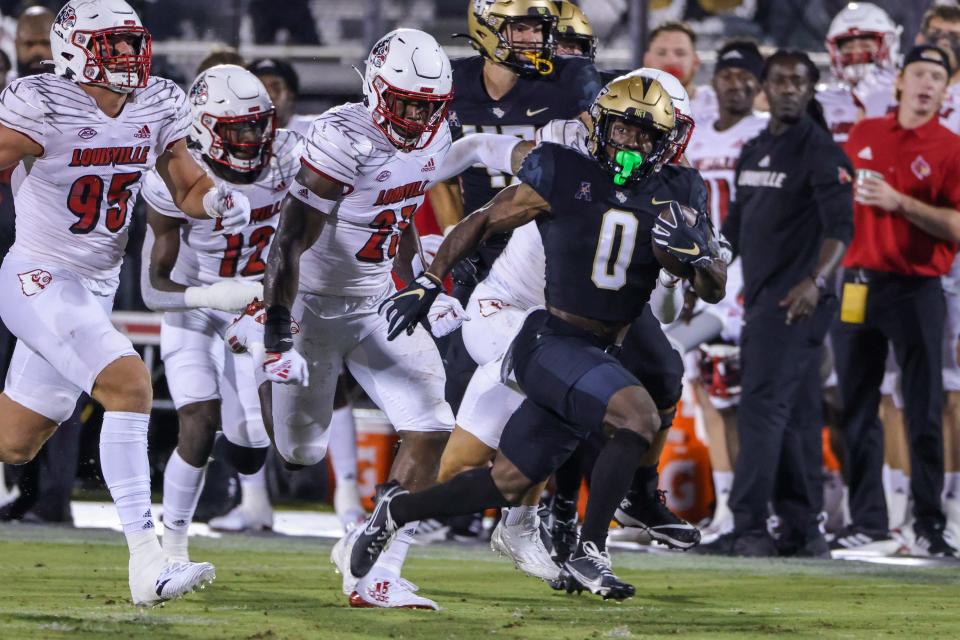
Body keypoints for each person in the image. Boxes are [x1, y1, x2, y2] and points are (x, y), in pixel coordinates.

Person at [339, 75, 726, 600]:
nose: (629, 146)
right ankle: (588, 547)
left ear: (666, 142)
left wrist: (697, 257)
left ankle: (398, 510)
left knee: (506, 481)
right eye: (621, 131)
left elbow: (711, 287)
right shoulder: (561, 168)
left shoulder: (678, 190)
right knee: (631, 415)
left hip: (597, 347)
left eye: (643, 137)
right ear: (598, 127)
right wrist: (430, 283)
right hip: (543, 336)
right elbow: (481, 220)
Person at [0, 0, 251, 605]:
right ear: (73, 50)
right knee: (131, 385)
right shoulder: (42, 101)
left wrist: (216, 201)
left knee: (15, 441)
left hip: (94, 286)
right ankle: (148, 562)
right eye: (111, 45)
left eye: (131, 42)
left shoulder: (156, 100)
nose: (127, 56)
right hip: (39, 275)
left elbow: (187, 182)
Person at [234, 29, 466, 610]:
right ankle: (248, 358)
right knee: (298, 454)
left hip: (374, 305)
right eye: (405, 101)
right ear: (376, 88)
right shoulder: (342, 137)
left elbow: (401, 210)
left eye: (426, 105)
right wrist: (275, 327)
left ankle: (377, 571)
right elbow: (288, 238)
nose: (416, 117)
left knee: (432, 423)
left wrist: (419, 283)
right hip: (311, 304)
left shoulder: (436, 131)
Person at [139, 65, 301, 562]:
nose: (254, 137)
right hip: (196, 307)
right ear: (206, 128)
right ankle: (175, 548)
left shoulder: (292, 156)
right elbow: (152, 288)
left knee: (252, 448)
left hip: (255, 306)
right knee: (197, 420)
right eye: (239, 129)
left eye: (259, 124)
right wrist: (210, 297)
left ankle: (249, 491)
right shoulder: (173, 177)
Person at [704, 50, 854, 557]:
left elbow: (841, 229)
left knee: (761, 408)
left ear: (811, 89)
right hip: (762, 297)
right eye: (781, 80)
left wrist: (815, 281)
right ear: (766, 87)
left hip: (797, 301)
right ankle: (802, 529)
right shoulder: (753, 149)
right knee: (796, 414)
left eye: (799, 81)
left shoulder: (821, 151)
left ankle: (747, 528)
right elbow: (735, 228)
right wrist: (712, 268)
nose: (789, 88)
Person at [832, 45, 960, 558]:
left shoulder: (950, 147)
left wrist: (901, 203)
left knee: (924, 407)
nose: (928, 83)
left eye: (938, 76)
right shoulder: (864, 134)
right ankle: (869, 522)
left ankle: (928, 524)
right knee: (856, 406)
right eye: (920, 74)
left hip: (917, 288)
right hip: (858, 283)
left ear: (946, 89)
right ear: (901, 81)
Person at [682, 40, 767, 542]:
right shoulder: (696, 137)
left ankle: (753, 508)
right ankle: (727, 510)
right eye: (727, 74)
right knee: (708, 394)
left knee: (739, 395)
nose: (734, 83)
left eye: (744, 76)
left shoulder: (765, 133)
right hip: (702, 271)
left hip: (747, 273)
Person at [819, 2, 900, 144]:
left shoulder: (902, 94)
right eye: (848, 47)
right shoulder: (823, 99)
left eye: (865, 45)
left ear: (887, 45)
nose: (856, 54)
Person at [642, 21, 714, 124]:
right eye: (661, 53)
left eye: (680, 53)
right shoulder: (622, 107)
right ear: (647, 60)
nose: (671, 61)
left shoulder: (721, 108)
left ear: (696, 61)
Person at [13, 5, 53, 79]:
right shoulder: (3, 86)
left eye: (45, 43)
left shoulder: (77, 89)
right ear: (16, 45)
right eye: (29, 44)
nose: (37, 51)